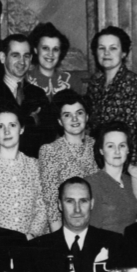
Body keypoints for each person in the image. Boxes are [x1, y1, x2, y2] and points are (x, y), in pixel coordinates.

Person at [27, 177, 124, 272]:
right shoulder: (37, 248)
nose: (77, 209)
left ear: (92, 204)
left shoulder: (115, 243)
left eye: (83, 201)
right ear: (60, 205)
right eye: (69, 201)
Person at [0, 106, 49, 239]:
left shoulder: (35, 166)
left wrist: (31, 235)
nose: (6, 131)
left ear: (21, 129)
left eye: (12, 125)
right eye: (0, 126)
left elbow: (42, 207)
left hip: (31, 243)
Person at [38, 90, 99, 231]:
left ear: (87, 116)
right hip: (63, 227)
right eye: (67, 115)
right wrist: (59, 239)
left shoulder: (97, 145)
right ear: (59, 121)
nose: (74, 119)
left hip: (96, 223)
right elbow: (51, 201)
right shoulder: (50, 151)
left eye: (79, 113)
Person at [0, 34, 49, 156]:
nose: (22, 61)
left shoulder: (38, 94)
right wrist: (30, 121)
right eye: (15, 55)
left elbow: (47, 137)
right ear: (2, 57)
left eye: (26, 56)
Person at [86, 26, 137, 162]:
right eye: (101, 48)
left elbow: (133, 132)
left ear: (123, 53)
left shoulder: (132, 83)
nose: (106, 53)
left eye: (113, 48)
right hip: (100, 156)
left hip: (124, 158)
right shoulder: (95, 84)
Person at [87, 122, 137, 235]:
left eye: (122, 145)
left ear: (128, 149)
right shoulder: (91, 183)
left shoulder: (132, 181)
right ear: (101, 150)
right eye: (110, 146)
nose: (117, 151)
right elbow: (91, 230)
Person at [27, 22, 84, 99]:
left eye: (55, 49)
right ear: (35, 50)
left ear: (60, 52)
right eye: (45, 48)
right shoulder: (25, 80)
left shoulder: (72, 81)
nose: (50, 54)